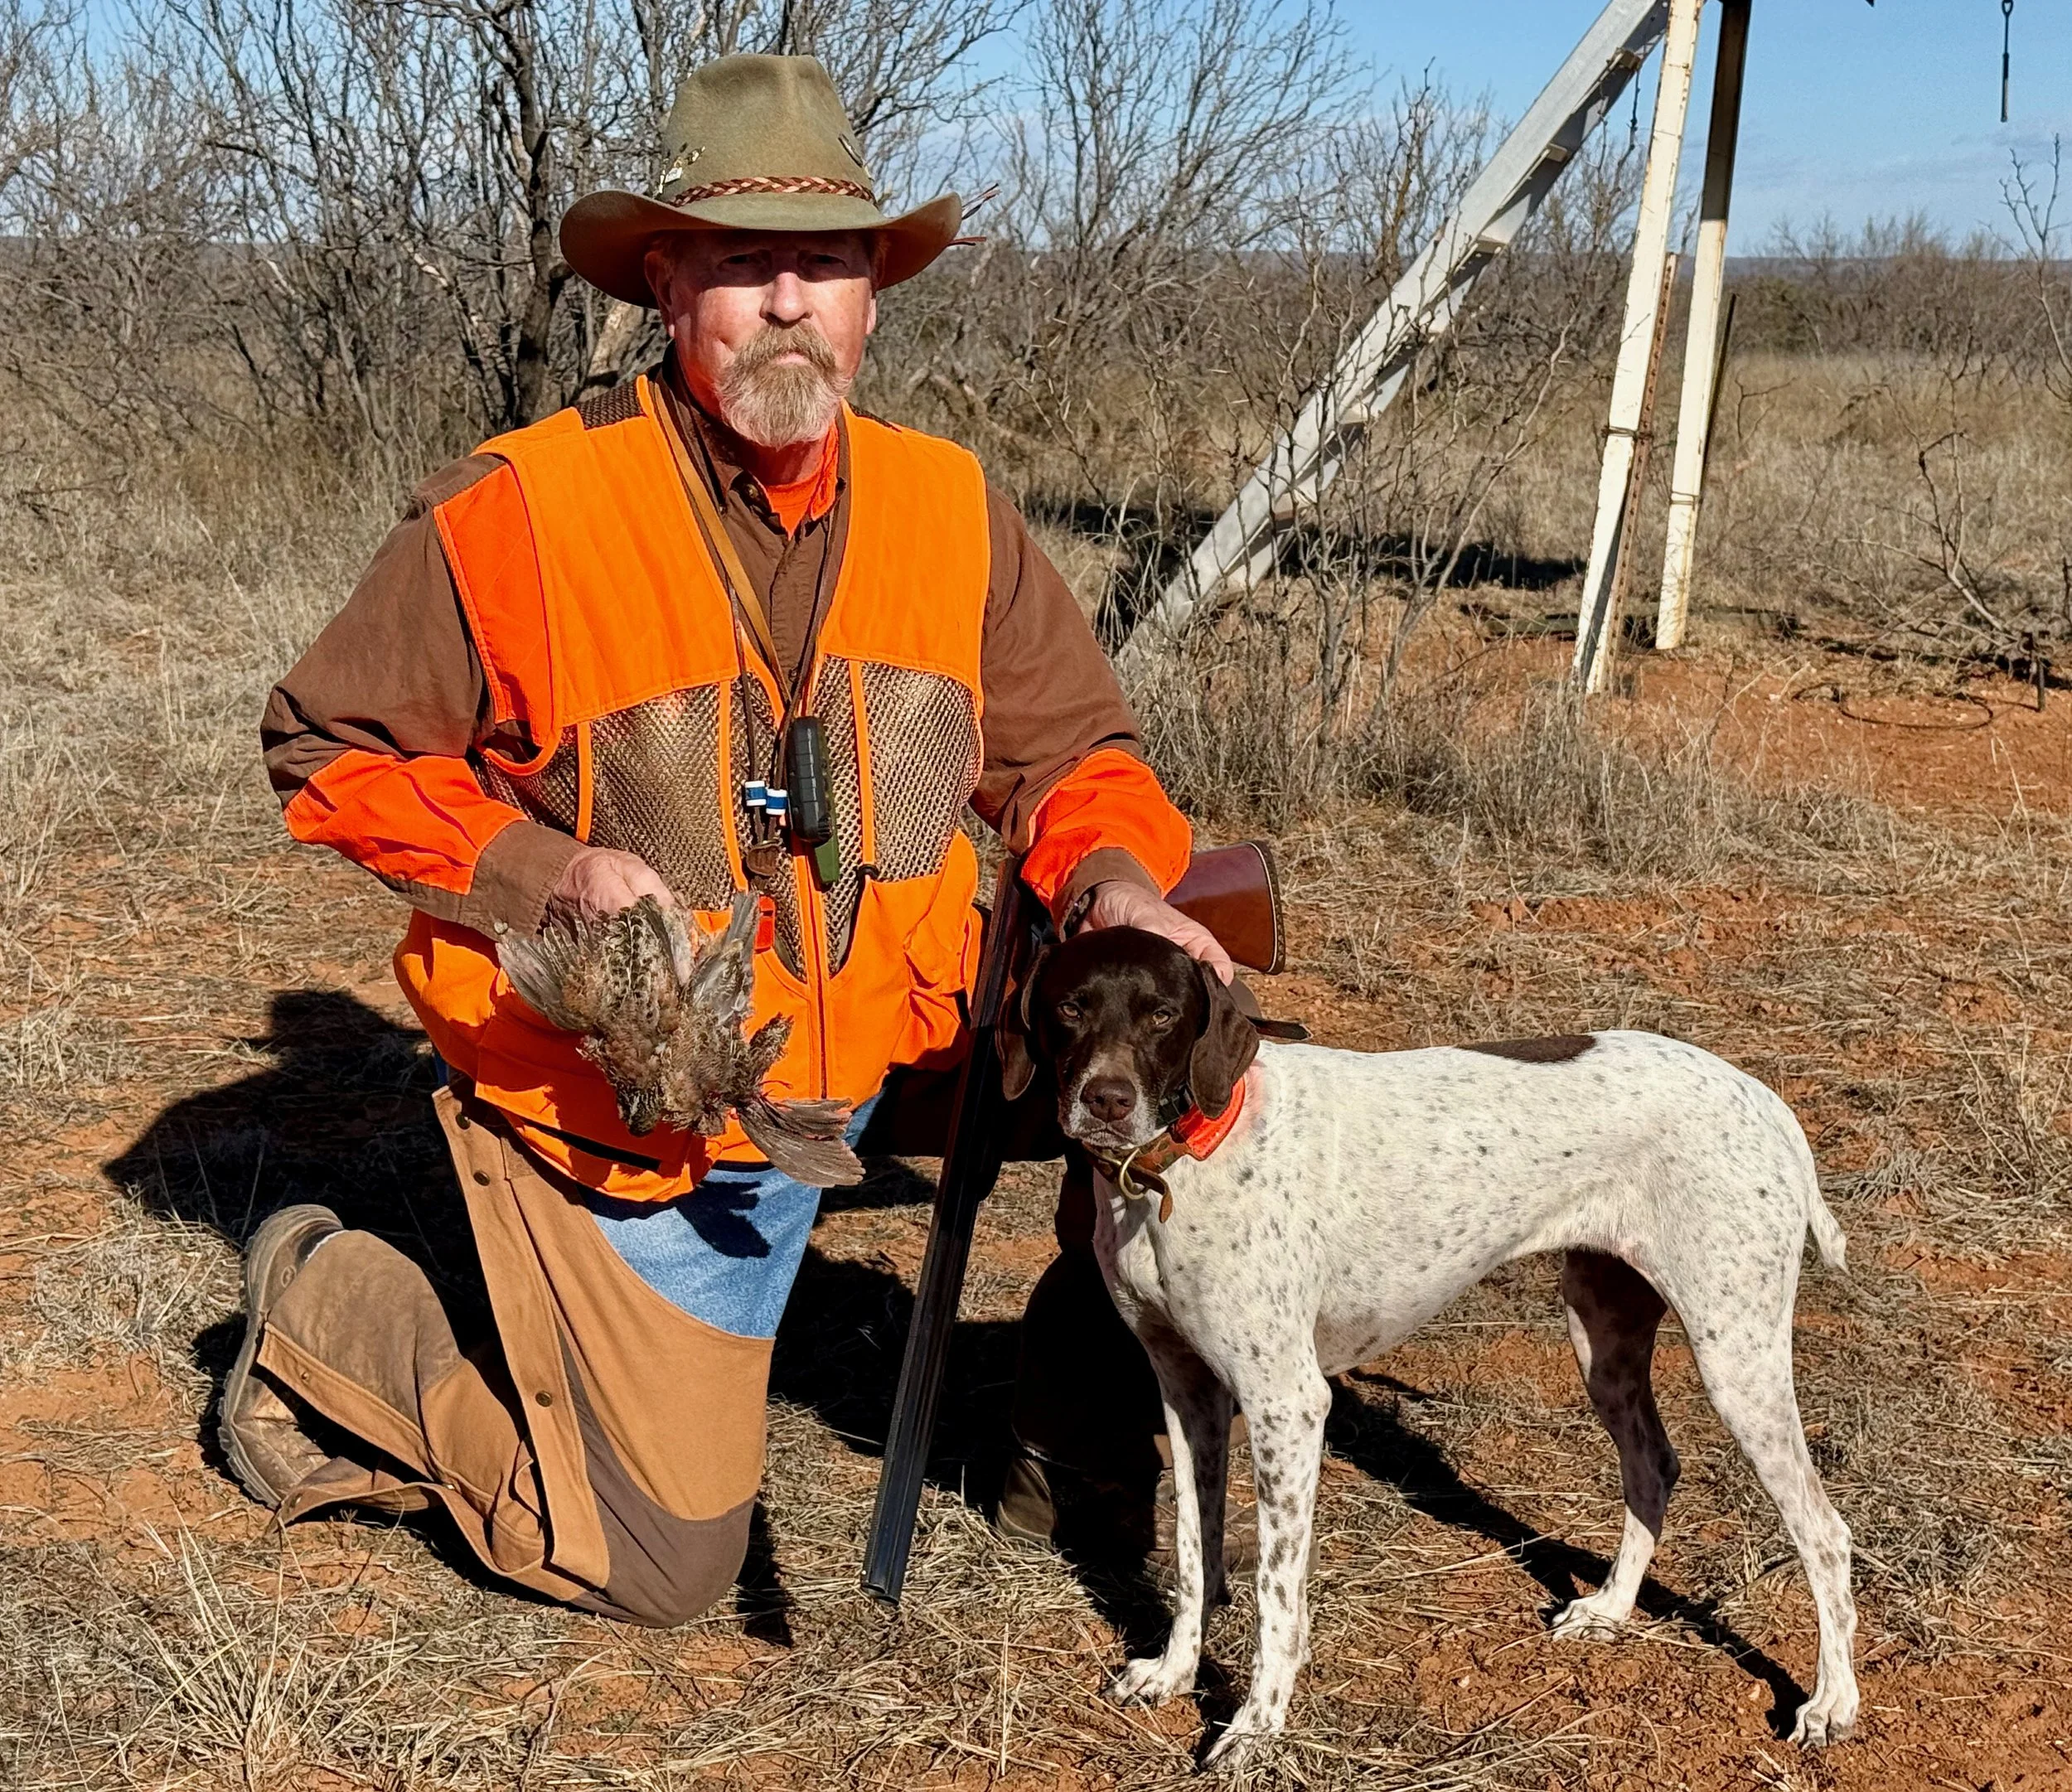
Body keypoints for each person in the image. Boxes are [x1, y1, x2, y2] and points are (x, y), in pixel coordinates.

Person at [231, 52, 1225, 1624]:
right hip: (650, 1108)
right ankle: (325, 1297)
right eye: (743, 262)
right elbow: (326, 746)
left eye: (826, 261)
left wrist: (1110, 877)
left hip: (893, 1048)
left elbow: (1077, 755)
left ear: (872, 299)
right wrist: (541, 874)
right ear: (668, 282)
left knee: (1202, 1042)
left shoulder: (950, 507)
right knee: (662, 1566)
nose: (786, 300)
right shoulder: (526, 511)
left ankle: (1072, 1432)